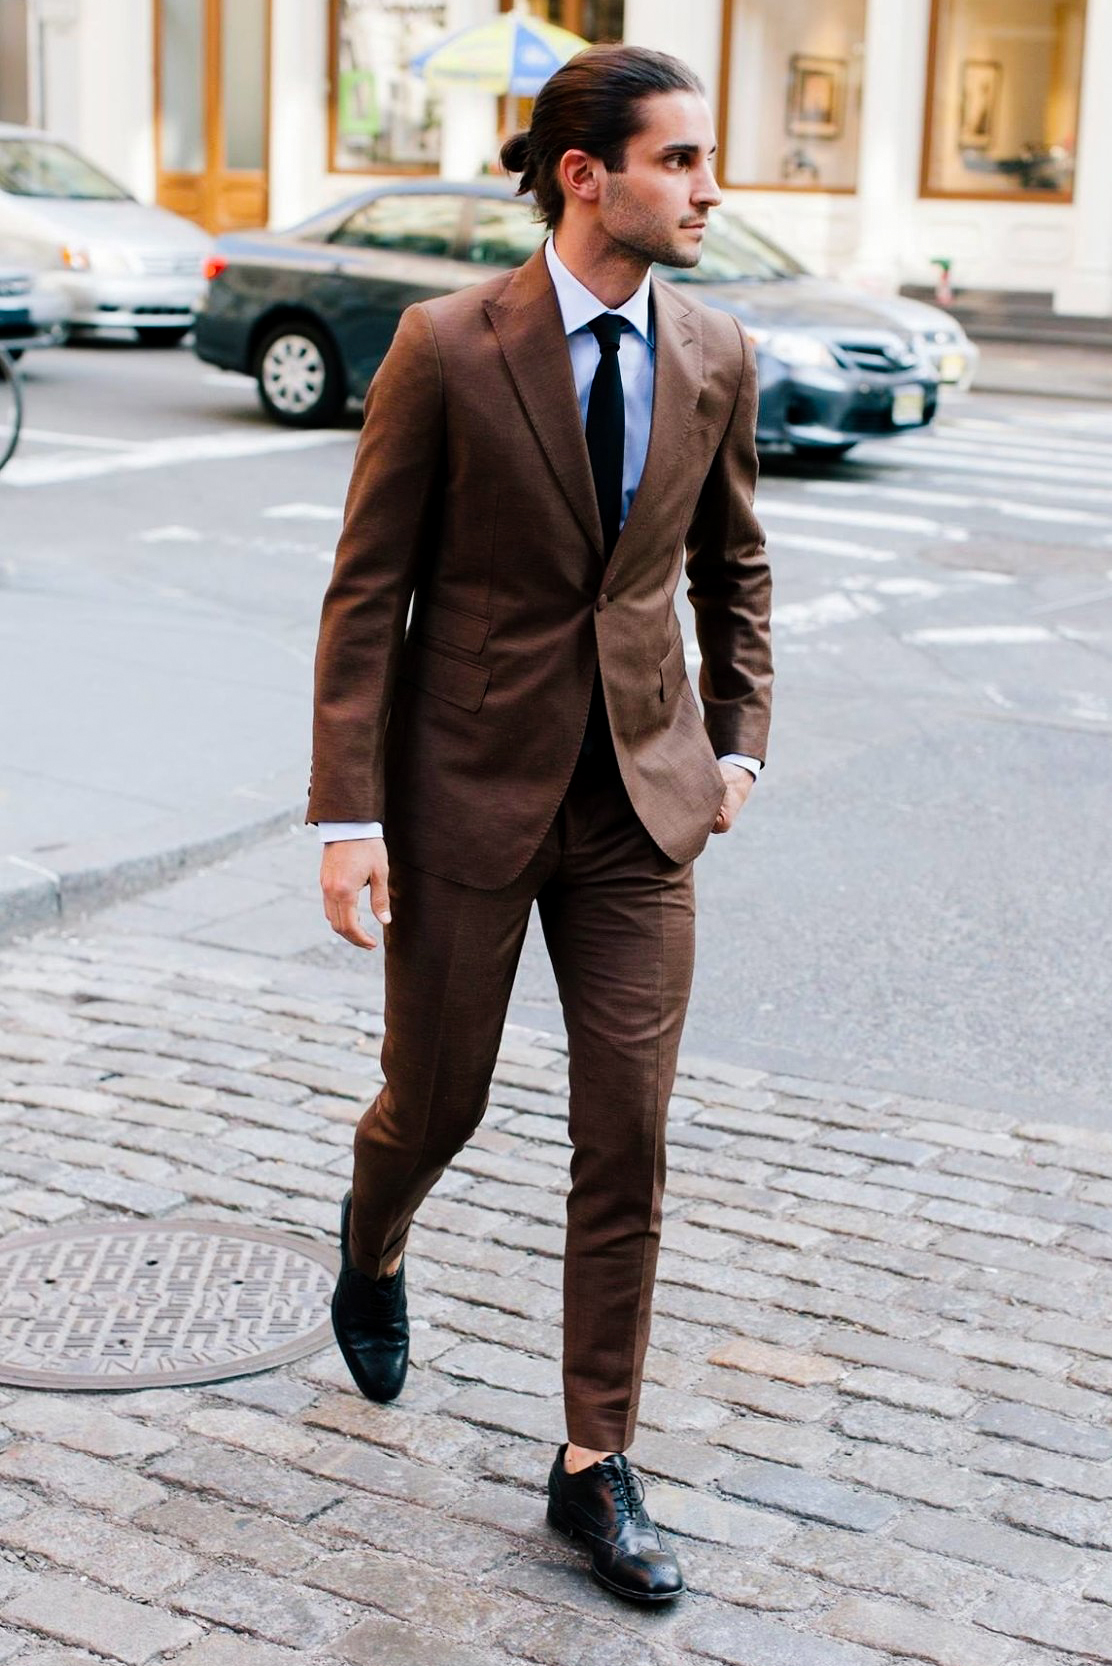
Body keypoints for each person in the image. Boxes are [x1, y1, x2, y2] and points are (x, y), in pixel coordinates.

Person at [309, 42, 772, 1604]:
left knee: (626, 1130)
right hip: (464, 797)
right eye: (684, 160)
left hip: (642, 807)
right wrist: (348, 813)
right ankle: (372, 1243)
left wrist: (738, 745)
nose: (712, 189)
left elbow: (736, 571)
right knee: (434, 1103)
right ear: (590, 174)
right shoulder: (447, 346)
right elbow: (369, 595)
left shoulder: (714, 350)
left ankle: (595, 1461)